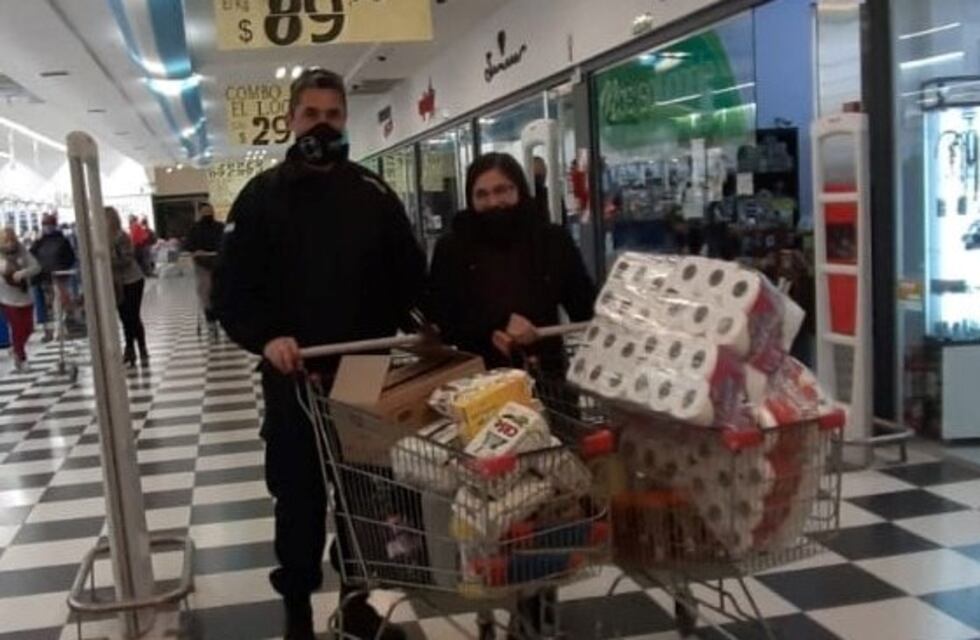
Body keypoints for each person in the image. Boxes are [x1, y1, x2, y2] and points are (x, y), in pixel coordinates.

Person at [212, 68, 425, 640]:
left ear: (344, 120)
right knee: (299, 493)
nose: (322, 126)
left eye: (332, 115)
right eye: (312, 115)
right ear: (290, 120)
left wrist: (418, 330)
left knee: (361, 490)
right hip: (293, 376)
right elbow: (231, 295)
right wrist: (266, 338)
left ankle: (356, 598)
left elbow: (410, 280)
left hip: (362, 372)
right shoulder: (259, 199)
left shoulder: (374, 195)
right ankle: (299, 608)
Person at [425, 152, 596, 637]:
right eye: (482, 193)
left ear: (520, 191)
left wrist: (542, 331)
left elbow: (583, 301)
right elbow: (441, 316)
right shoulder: (453, 248)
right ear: (470, 199)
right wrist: (493, 326)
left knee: (545, 503)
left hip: (547, 389)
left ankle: (536, 606)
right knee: (494, 506)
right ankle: (494, 594)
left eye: (503, 191)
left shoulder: (552, 240)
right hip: (480, 399)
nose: (494, 202)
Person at [107, 207, 148, 367]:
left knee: (132, 315)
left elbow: (127, 259)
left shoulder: (121, 236)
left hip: (132, 280)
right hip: (117, 283)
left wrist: (108, 262)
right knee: (125, 317)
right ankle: (131, 348)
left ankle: (136, 348)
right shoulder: (103, 238)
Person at [30, 213, 77, 342]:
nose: (47, 227)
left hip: (58, 277)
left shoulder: (61, 240)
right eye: (45, 224)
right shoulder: (39, 242)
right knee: (48, 306)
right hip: (44, 278)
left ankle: (59, 330)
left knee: (58, 304)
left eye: (49, 224)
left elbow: (70, 257)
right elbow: (31, 256)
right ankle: (51, 331)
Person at [0, 227, 41, 372]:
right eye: (6, 241)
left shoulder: (22, 251)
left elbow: (36, 267)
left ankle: (16, 349)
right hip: (7, 299)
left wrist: (23, 273)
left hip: (25, 296)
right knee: (17, 329)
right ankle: (22, 358)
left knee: (28, 328)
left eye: (12, 240)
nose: (10, 244)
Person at [183, 203, 224, 335]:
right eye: (205, 212)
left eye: (209, 211)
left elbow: (228, 242)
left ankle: (223, 317)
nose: (208, 214)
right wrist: (196, 251)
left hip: (220, 264)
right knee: (206, 292)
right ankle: (211, 320)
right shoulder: (194, 229)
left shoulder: (220, 227)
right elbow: (188, 246)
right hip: (202, 265)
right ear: (200, 213)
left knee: (222, 290)